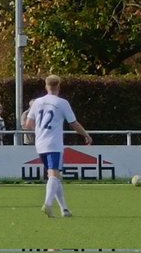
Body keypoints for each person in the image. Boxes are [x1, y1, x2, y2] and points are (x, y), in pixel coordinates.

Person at [23, 74, 92, 218]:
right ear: (59, 87)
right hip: (53, 143)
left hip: (40, 143)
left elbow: (28, 125)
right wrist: (86, 135)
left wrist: (40, 129)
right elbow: (74, 123)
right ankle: (48, 204)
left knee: (55, 176)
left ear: (46, 86)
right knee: (54, 176)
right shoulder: (62, 103)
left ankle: (64, 209)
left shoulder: (37, 102)